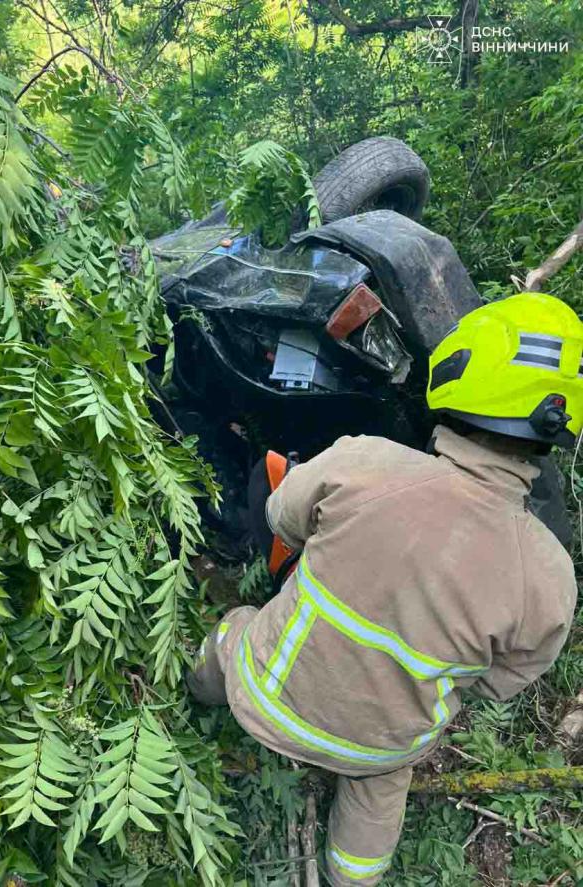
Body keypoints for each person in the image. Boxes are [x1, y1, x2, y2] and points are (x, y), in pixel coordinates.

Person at [187, 292, 580, 885]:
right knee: (379, 795)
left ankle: (195, 696)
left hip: (268, 697)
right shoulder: (550, 575)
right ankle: (354, 877)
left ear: (459, 371)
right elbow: (499, 684)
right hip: (383, 748)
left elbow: (282, 519)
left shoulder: (364, 462)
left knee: (232, 634)